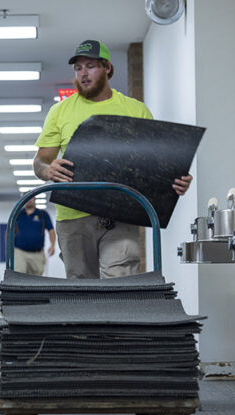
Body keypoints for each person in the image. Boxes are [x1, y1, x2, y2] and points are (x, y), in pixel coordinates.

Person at [33, 40, 192, 280]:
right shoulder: (60, 111)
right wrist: (47, 170)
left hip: (121, 214)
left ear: (107, 67)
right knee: (82, 289)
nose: (83, 74)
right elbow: (40, 162)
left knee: (118, 281)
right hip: (74, 216)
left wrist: (175, 180)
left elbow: (155, 164)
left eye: (90, 66)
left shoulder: (135, 110)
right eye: (78, 68)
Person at [13, 198, 56, 276]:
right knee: (19, 277)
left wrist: (52, 245)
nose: (29, 200)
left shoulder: (43, 214)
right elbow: (9, 231)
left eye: (31, 198)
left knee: (36, 280)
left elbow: (51, 231)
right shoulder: (17, 214)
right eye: (27, 198)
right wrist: (8, 249)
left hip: (38, 254)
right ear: (23, 200)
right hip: (20, 253)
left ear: (35, 199)